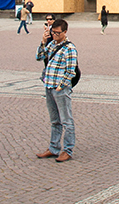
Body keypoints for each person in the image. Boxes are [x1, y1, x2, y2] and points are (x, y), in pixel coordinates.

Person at [35, 19, 77, 162]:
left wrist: (61, 85)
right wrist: (43, 42)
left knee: (67, 121)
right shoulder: (52, 44)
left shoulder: (70, 48)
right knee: (55, 121)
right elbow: (39, 57)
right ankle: (53, 148)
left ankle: (67, 150)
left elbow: (71, 71)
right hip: (49, 86)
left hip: (60, 89)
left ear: (65, 32)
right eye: (53, 32)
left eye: (58, 33)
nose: (55, 35)